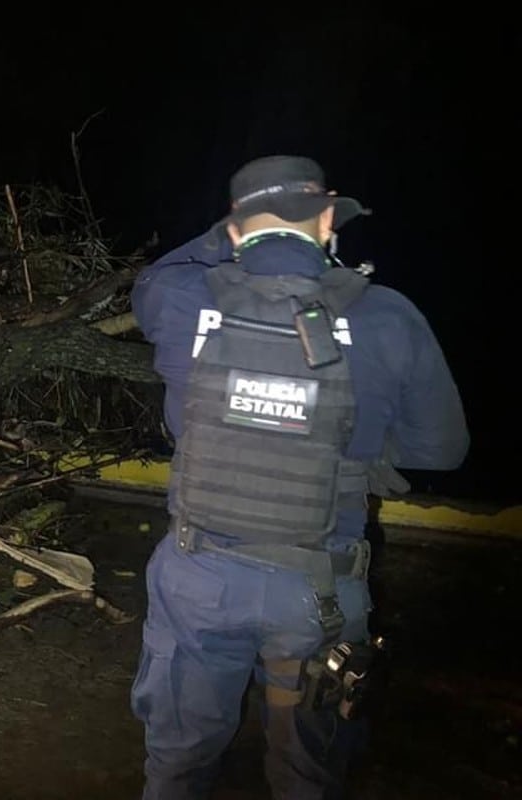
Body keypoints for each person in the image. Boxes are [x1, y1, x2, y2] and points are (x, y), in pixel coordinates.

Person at [128, 155, 468, 799]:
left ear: (232, 230)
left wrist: (226, 235)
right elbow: (442, 449)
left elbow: (155, 277)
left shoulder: (181, 299)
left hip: (200, 579)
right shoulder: (389, 316)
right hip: (321, 593)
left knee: (177, 767)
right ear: (327, 221)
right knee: (307, 778)